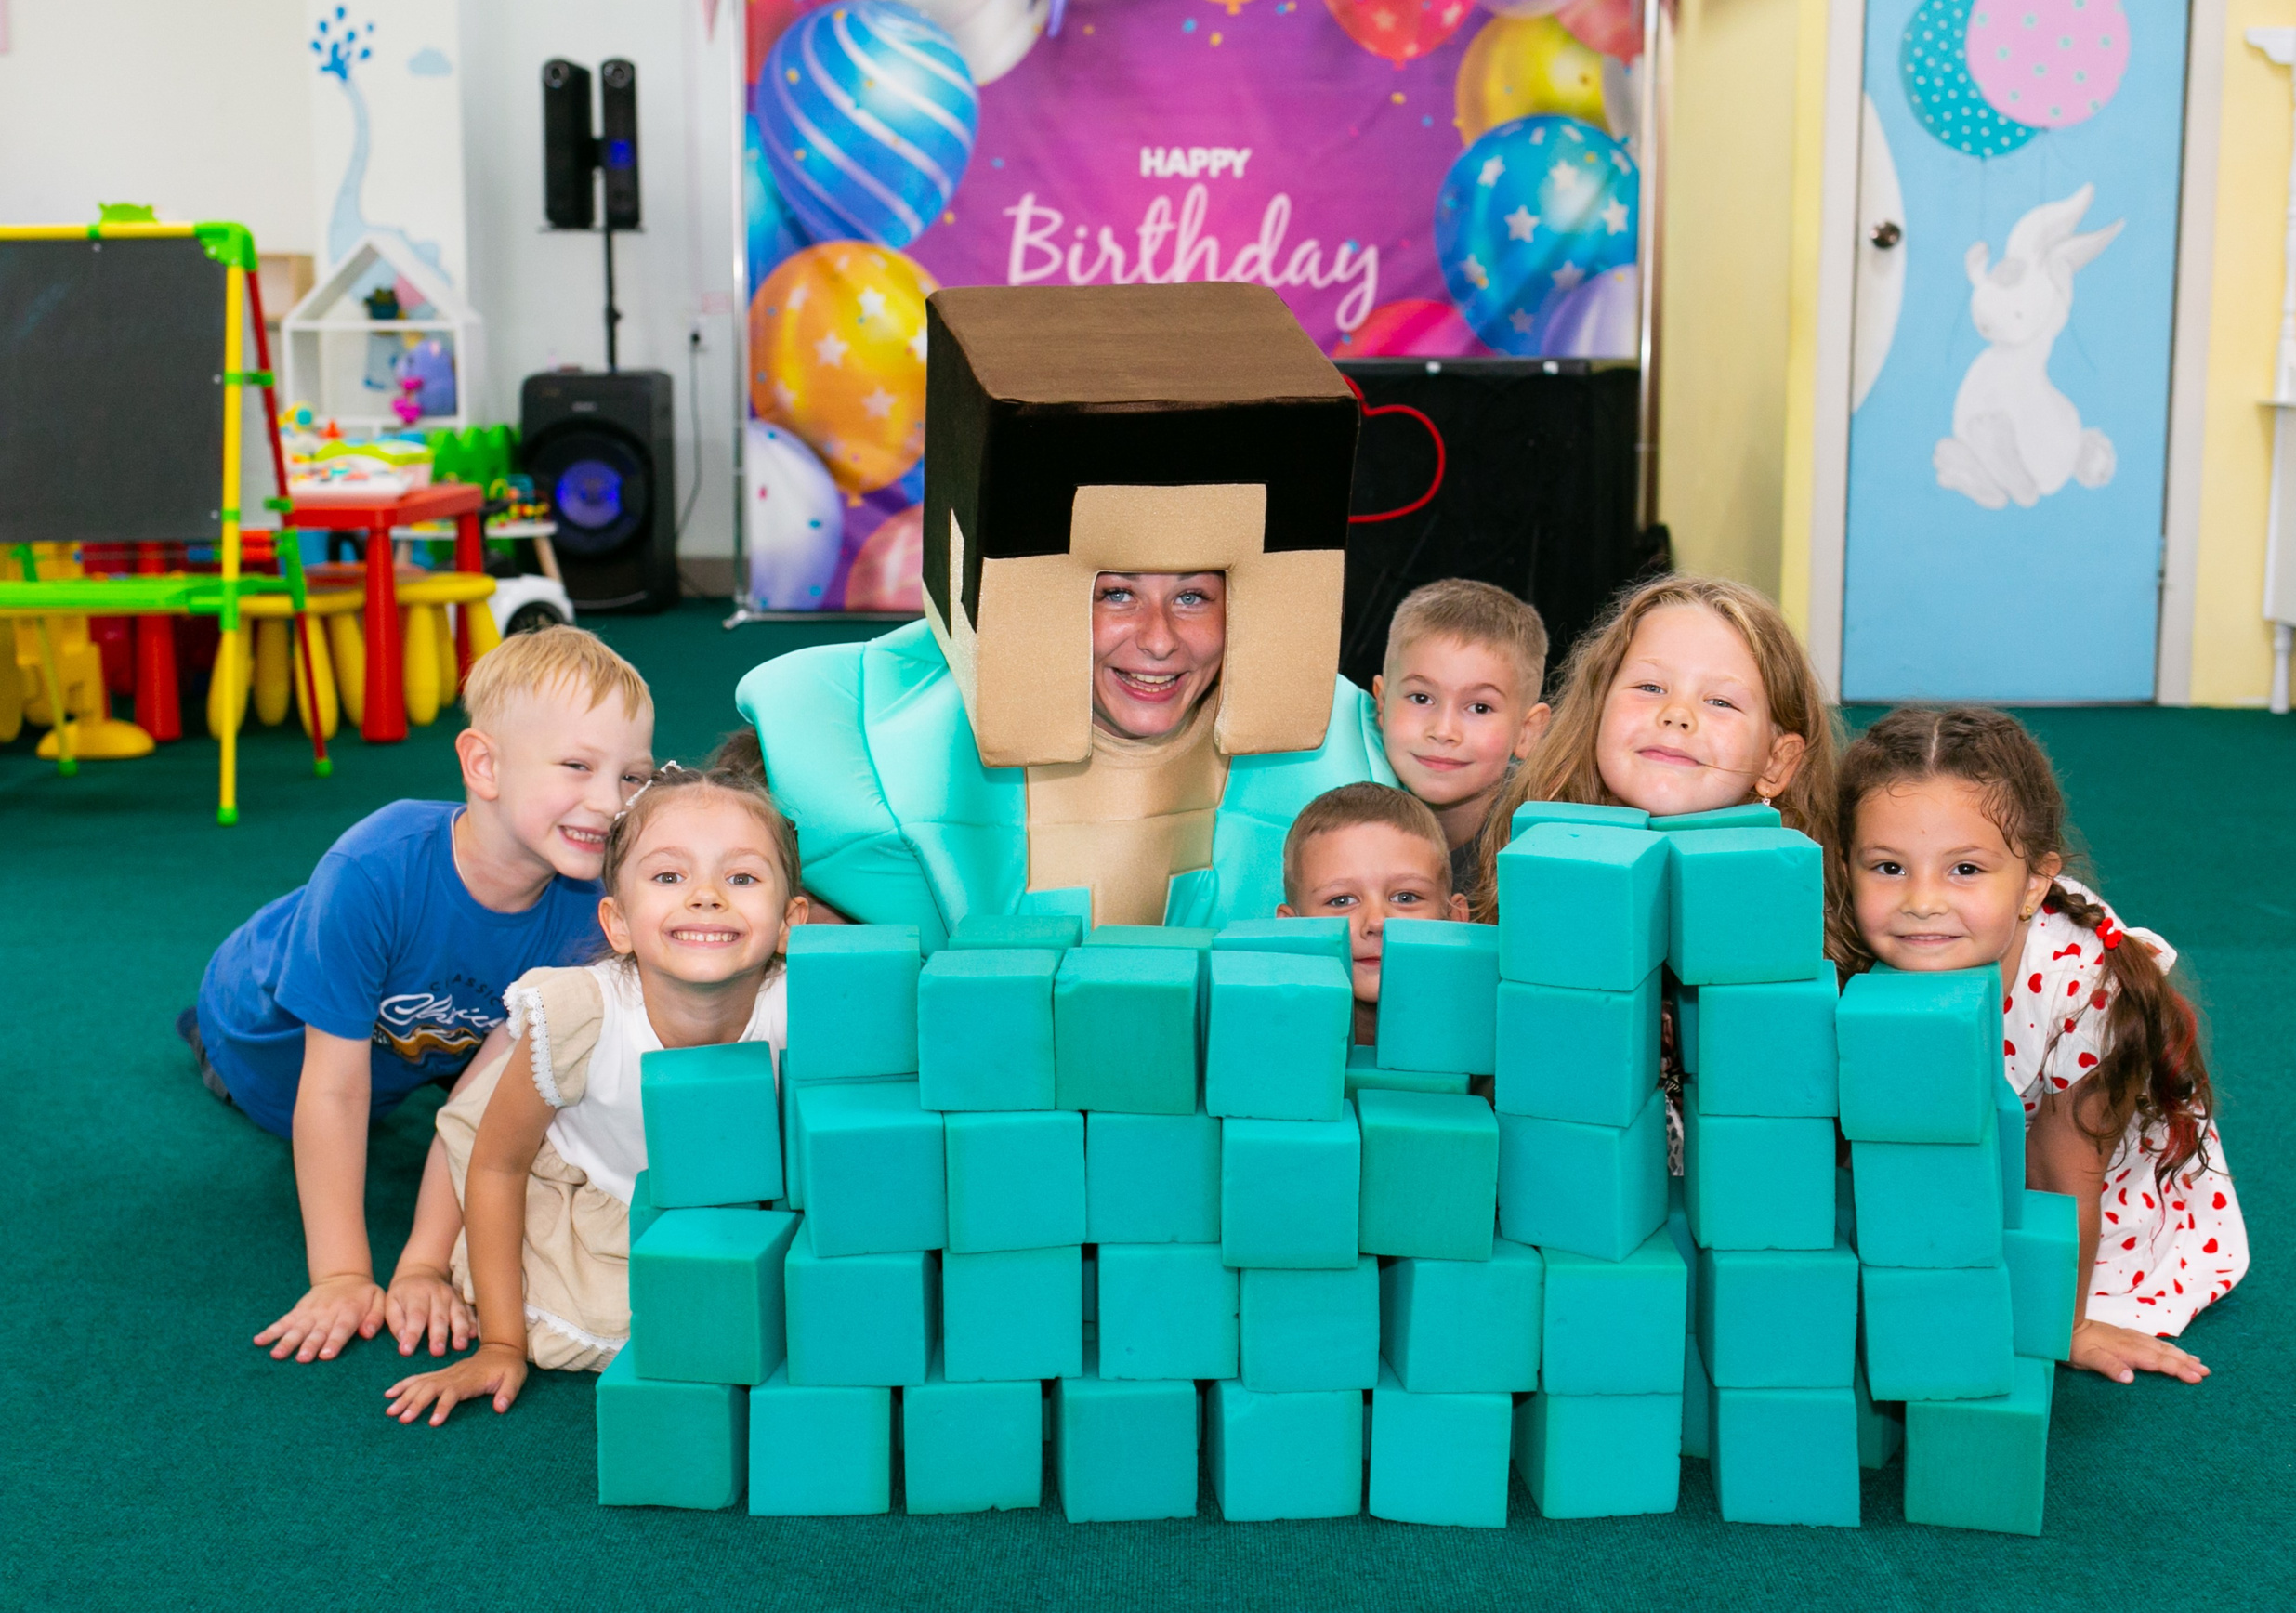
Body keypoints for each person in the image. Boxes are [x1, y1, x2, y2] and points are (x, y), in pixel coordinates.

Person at [736, 282, 1394, 943]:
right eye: (1116, 594)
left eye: (1192, 597)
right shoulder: (877, 761)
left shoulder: (1342, 758)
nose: (1159, 641)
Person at [183, 626, 654, 1366]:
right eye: (576, 766)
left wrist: (423, 1265)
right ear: (484, 765)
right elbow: (332, 1095)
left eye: (632, 777)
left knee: (521, 1068)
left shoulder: (588, 907)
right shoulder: (374, 866)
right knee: (284, 1072)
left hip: (428, 1036)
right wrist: (342, 1276)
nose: (610, 801)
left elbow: (473, 1108)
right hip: (256, 1036)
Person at [383, 762, 806, 1424]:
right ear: (616, 922)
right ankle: (427, 1256)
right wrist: (500, 1343)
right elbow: (497, 1164)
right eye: (669, 876)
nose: (706, 896)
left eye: (742, 877)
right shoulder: (584, 1016)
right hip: (588, 1198)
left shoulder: (805, 1008)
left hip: (726, 1215)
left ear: (789, 923)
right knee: (639, 1319)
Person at [1835, 705, 2245, 1384]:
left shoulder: (2082, 987)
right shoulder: (1848, 940)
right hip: (1939, 1147)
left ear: (2033, 882)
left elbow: (2063, 1176)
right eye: (1888, 867)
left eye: (1964, 870)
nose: (1922, 901)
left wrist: (2069, 1323)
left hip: (2076, 1162)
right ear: (1847, 863)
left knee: (2015, 1263)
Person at [1468, 574, 1839, 925]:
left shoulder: (1803, 913)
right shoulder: (1525, 859)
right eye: (1650, 688)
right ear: (1596, 714)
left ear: (1776, 762)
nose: (1677, 715)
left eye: (1721, 702)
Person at [1370, 579, 1551, 902]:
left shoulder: (1540, 846)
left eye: (1479, 707)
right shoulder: (1355, 812)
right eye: (1421, 698)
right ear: (1381, 704)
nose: (1443, 730)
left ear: (1527, 732)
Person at [1278, 782, 1468, 1047]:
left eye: (1406, 897)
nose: (1377, 921)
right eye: (1341, 900)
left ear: (1455, 920)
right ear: (1291, 931)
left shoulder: (1488, 1043)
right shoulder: (1272, 1038)